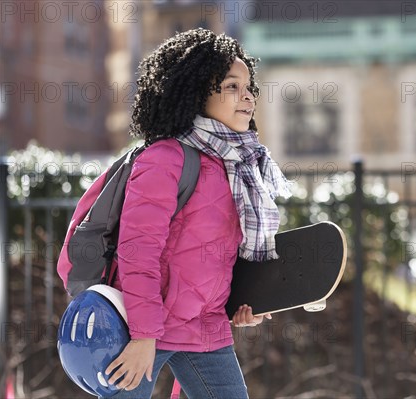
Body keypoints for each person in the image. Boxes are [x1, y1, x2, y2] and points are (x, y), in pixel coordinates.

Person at [101, 28, 291, 398]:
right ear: (196, 90)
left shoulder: (239, 166)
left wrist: (240, 304)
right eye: (232, 86)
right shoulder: (163, 160)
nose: (248, 96)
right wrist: (142, 336)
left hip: (205, 331)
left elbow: (220, 259)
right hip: (142, 328)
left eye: (250, 87)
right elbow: (138, 253)